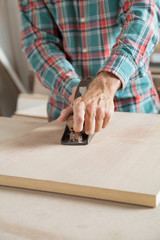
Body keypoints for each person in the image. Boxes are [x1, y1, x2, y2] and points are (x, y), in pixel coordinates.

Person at [19, 0, 160, 135]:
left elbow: (144, 18)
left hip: (134, 108)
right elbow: (38, 42)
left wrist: (106, 82)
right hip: (67, 111)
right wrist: (74, 90)